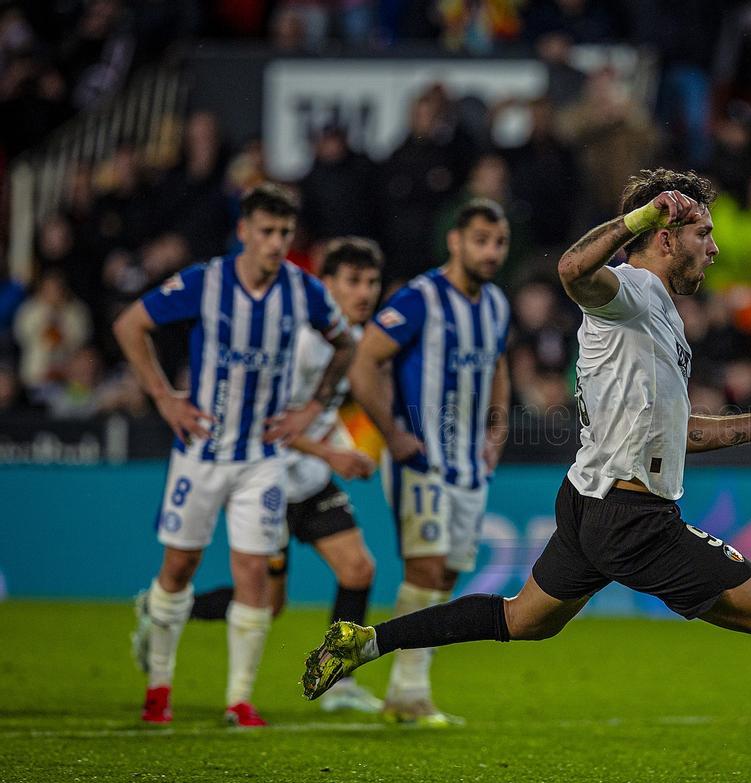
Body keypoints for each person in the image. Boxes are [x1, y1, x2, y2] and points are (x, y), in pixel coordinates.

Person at [301, 169, 751, 783]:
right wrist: (643, 213)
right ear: (667, 236)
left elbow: (676, 434)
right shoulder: (632, 289)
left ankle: (368, 642)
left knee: (519, 619)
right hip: (633, 519)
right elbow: (571, 271)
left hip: (589, 505)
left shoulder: (661, 318)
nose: (713, 247)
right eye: (703, 233)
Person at [113, 183, 354, 727]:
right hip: (200, 450)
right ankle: (159, 689)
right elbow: (130, 325)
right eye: (266, 232)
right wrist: (161, 397)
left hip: (261, 458)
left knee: (254, 576)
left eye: (284, 233)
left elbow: (347, 344)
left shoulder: (303, 290)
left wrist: (309, 409)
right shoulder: (206, 281)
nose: (275, 243)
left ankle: (238, 700)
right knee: (180, 566)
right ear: (243, 231)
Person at [154, 237, 386, 714]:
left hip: (311, 478)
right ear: (327, 286)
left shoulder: (353, 342)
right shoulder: (301, 344)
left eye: (371, 282)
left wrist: (342, 449)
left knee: (359, 568)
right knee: (266, 603)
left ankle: (338, 682)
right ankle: (161, 609)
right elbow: (264, 420)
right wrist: (332, 454)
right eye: (352, 281)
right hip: (270, 480)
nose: (364, 292)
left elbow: (317, 413)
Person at [345, 198, 512, 726]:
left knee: (449, 575)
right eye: (481, 240)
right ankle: (408, 692)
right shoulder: (419, 298)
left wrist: (496, 431)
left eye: (499, 242)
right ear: (456, 241)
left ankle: (408, 691)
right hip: (422, 459)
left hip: (469, 466)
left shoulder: (496, 305)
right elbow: (364, 361)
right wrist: (392, 434)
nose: (491, 251)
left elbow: (498, 364)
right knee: (426, 566)